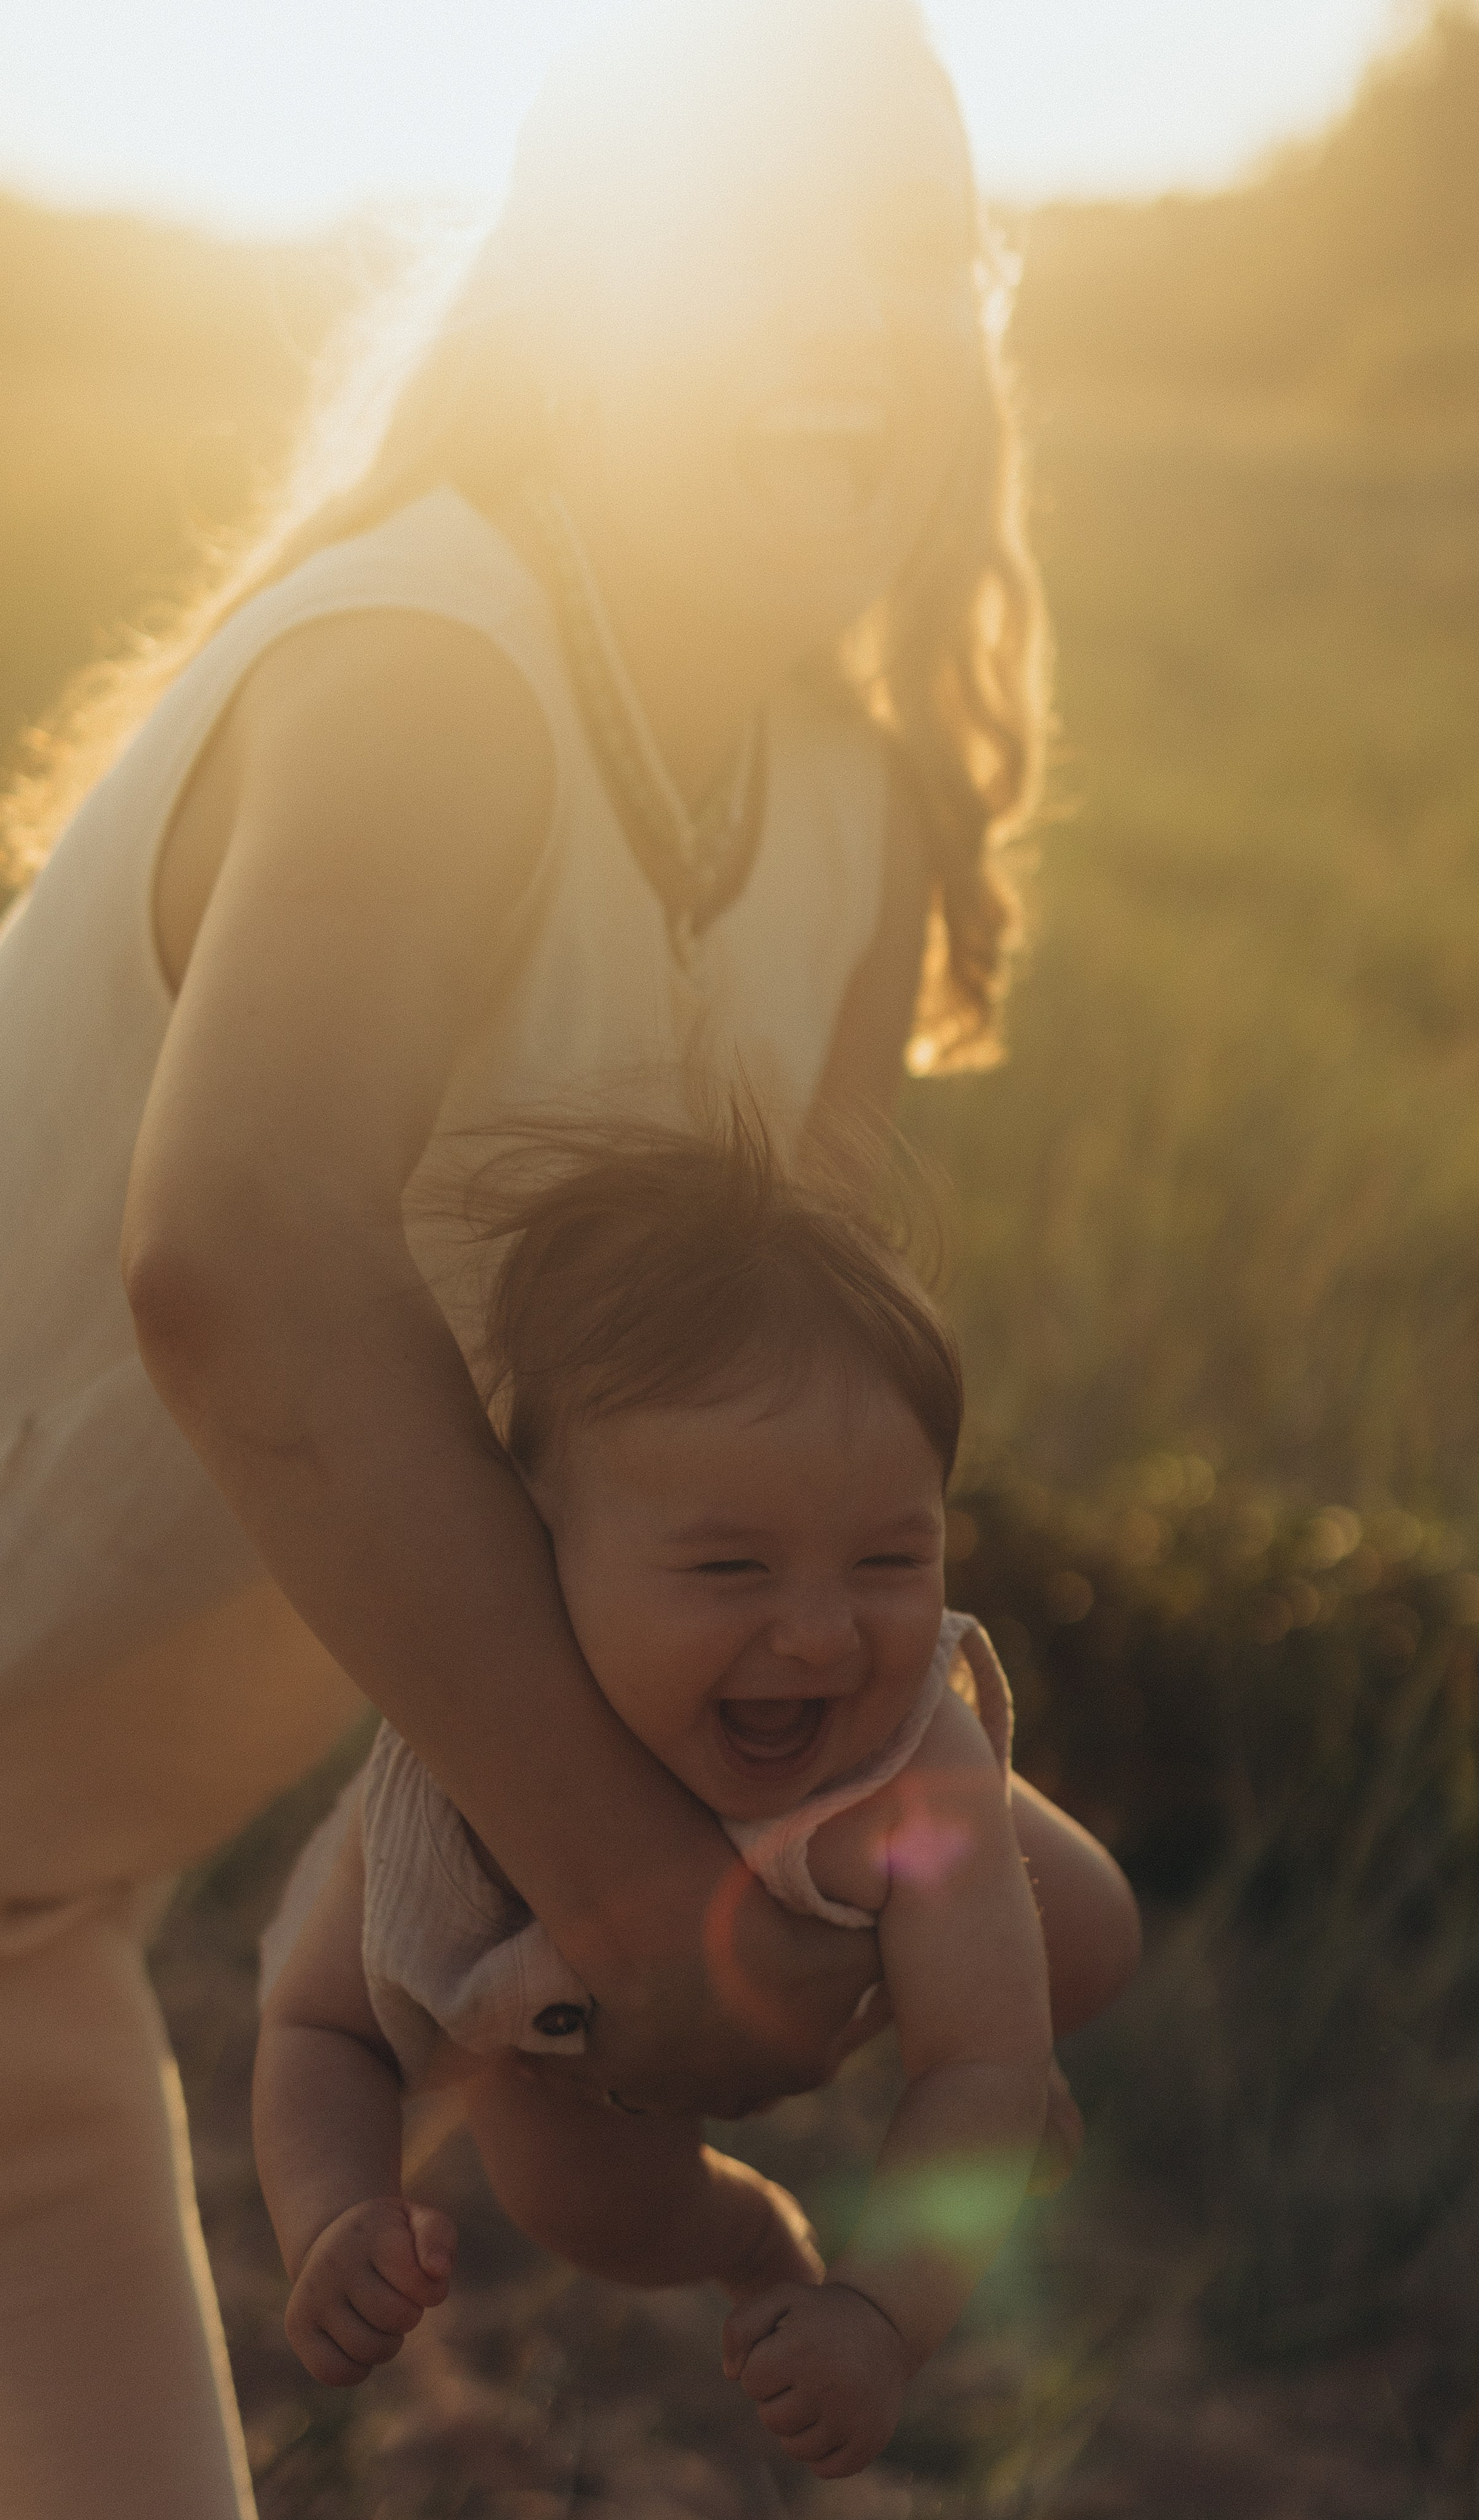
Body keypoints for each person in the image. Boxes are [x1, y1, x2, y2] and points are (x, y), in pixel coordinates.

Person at [0, 3, 1138, 2513]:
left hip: (35, 1913)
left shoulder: (836, 832)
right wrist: (632, 1903)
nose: (846, 321)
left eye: (909, 254)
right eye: (751, 246)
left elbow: (738, 1477)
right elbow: (238, 1248)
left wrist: (887, 1848)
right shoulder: (433, 674)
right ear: (575, 290)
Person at [255, 1116, 1136, 2480]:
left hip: (888, 1896)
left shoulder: (907, 1755)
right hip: (577, 2061)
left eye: (891, 1557)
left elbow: (974, 2058)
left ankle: (975, 1995)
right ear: (540, 1552)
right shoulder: (455, 1778)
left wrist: (878, 2317)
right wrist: (331, 2218)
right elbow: (319, 2027)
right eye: (731, 1569)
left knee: (1077, 1931)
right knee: (590, 2211)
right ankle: (750, 2239)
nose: (825, 1636)